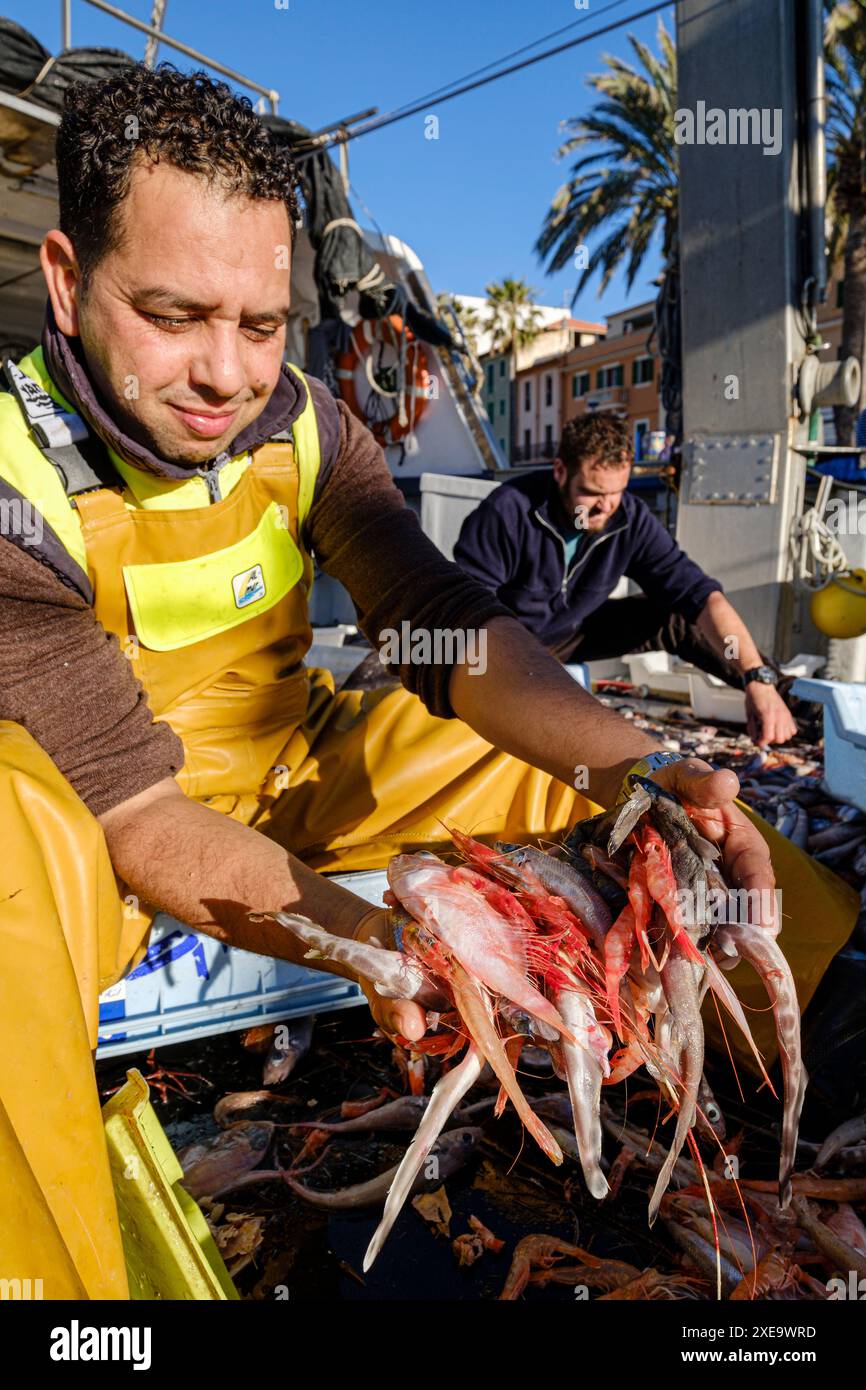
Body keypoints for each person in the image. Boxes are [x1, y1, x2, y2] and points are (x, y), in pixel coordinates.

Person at [0, 65, 853, 1298]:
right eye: (174, 315)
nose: (226, 374)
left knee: (615, 797)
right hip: (98, 825)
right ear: (70, 283)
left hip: (288, 765)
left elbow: (440, 626)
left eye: (260, 324)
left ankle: (814, 1033)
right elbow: (137, 815)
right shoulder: (17, 486)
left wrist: (640, 765)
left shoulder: (305, 425)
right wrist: (386, 946)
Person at [454, 413, 797, 747]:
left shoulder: (629, 518)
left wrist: (756, 677)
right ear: (560, 472)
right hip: (508, 646)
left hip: (570, 634)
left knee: (675, 618)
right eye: (592, 493)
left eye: (617, 491)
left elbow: (701, 595)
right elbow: (471, 614)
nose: (605, 507)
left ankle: (794, 711)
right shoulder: (506, 512)